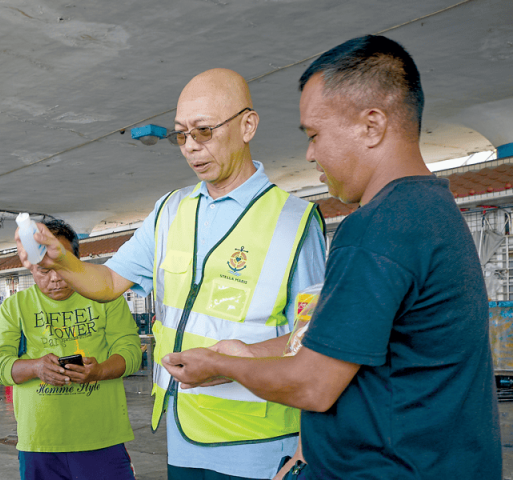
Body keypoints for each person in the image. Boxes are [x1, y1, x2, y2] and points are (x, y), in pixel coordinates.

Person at [163, 35, 501, 479]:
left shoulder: (377, 229)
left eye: (315, 134)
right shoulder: (431, 209)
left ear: (372, 125)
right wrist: (252, 353)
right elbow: (349, 348)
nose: (310, 153)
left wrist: (222, 364)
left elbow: (314, 384)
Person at [16, 68, 326, 480]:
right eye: (181, 135)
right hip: (184, 437)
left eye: (204, 131)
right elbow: (108, 283)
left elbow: (316, 336)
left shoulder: (295, 221)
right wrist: (62, 261)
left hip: (259, 444)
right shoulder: (170, 211)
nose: (191, 148)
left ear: (247, 125)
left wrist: (241, 363)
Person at [0, 219, 141, 480]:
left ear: (75, 260)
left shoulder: (105, 295)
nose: (56, 278)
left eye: (60, 266)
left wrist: (100, 371)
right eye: (43, 271)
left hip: (102, 438)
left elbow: (131, 352)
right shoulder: (15, 307)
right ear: (30, 269)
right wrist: (36, 368)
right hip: (41, 443)